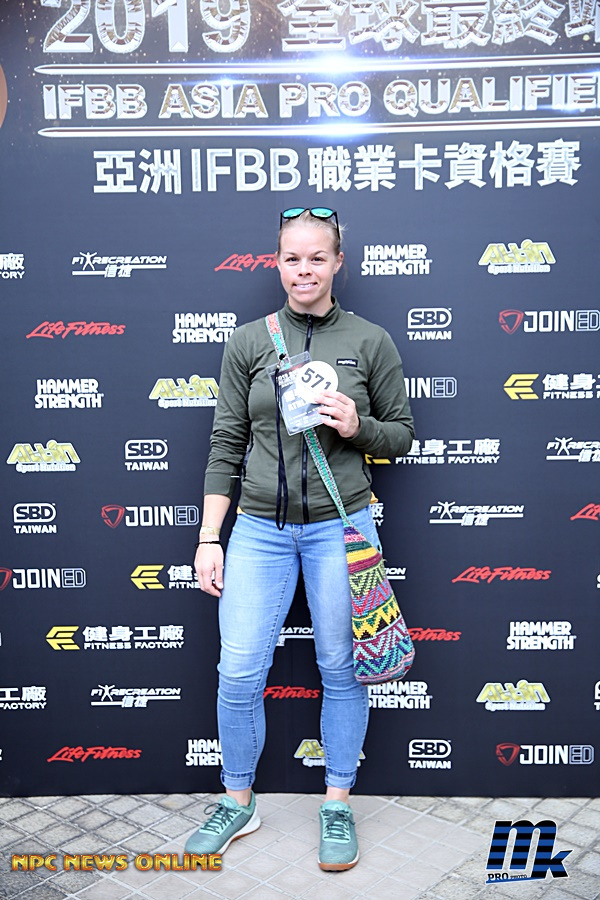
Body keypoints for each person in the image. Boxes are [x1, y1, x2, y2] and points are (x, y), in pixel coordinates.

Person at [185, 207, 414, 871]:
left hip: (340, 528)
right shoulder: (248, 342)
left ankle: (337, 802)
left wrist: (357, 426)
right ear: (278, 262)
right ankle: (238, 801)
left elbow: (401, 436)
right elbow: (226, 442)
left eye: (317, 257)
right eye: (293, 258)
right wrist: (209, 537)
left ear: (338, 262)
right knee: (238, 671)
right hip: (258, 530)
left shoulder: (370, 340)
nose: (304, 270)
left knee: (341, 669)